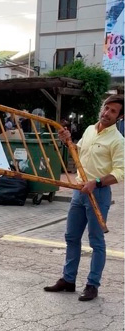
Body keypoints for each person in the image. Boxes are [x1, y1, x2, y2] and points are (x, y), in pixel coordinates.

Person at [44, 94, 124, 301]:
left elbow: (120, 172)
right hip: (79, 191)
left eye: (113, 111)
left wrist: (95, 183)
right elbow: (79, 154)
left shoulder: (117, 141)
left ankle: (92, 285)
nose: (107, 113)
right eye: (106, 108)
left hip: (98, 193)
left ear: (119, 117)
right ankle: (68, 280)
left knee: (96, 241)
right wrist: (68, 142)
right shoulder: (89, 130)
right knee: (71, 237)